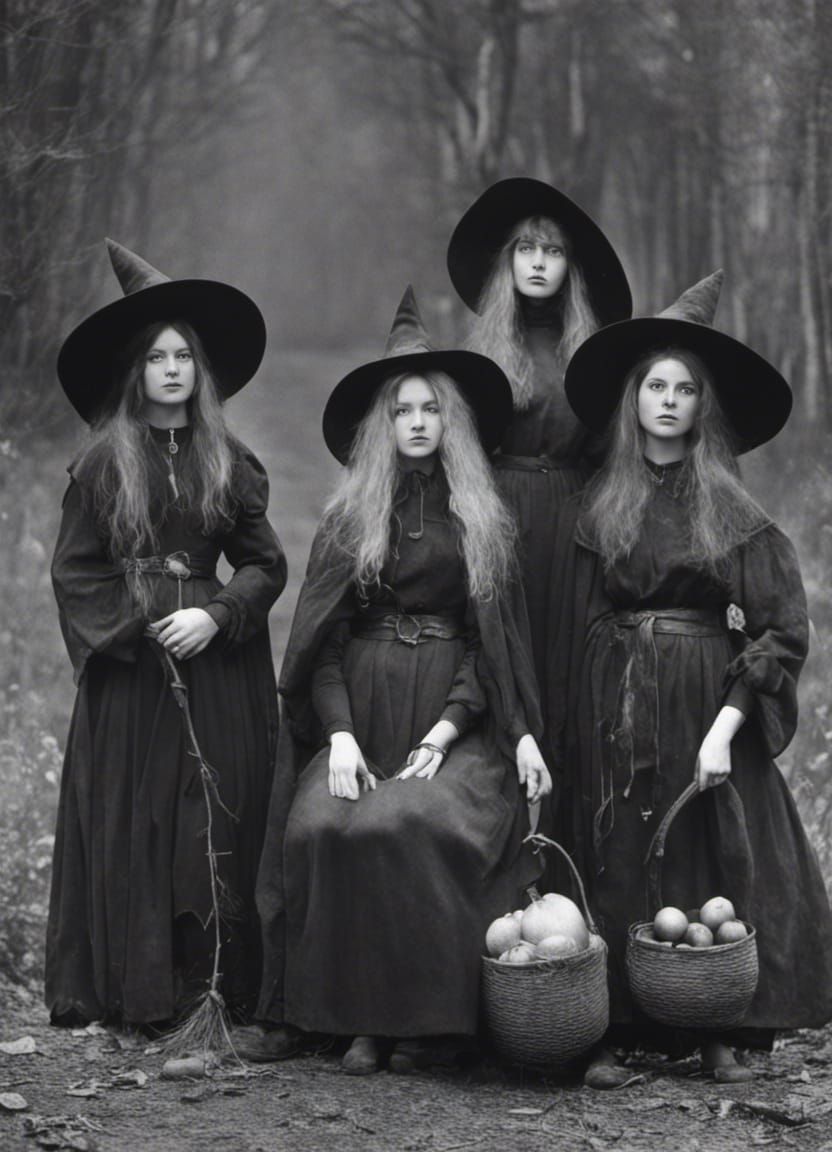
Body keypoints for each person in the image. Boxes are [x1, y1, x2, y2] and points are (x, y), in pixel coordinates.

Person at [249, 288, 551, 1074]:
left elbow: (496, 647)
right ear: (382, 426)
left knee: (418, 823)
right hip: (362, 713)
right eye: (402, 410)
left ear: (451, 422)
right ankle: (355, 1021)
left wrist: (451, 728)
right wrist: (341, 736)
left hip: (454, 723)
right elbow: (321, 642)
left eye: (431, 409)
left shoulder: (482, 519)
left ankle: (422, 1021)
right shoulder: (353, 517)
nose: (417, 421)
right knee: (324, 826)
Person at [546, 271, 832, 1086]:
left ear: (704, 408)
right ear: (634, 399)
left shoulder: (731, 507)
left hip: (705, 700)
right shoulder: (602, 501)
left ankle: (714, 1029)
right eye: (655, 387)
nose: (668, 402)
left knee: (705, 856)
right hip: (615, 698)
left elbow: (782, 627)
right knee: (615, 848)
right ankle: (608, 1025)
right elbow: (579, 612)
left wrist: (725, 728)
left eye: (685, 390)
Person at [47, 240, 287, 1028]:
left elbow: (264, 565)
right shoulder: (102, 465)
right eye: (158, 358)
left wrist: (216, 614)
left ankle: (213, 985)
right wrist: (145, 621)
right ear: (136, 371)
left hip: (218, 667)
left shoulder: (229, 459)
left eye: (185, 355)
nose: (174, 369)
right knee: (139, 818)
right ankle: (134, 989)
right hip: (134, 677)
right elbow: (76, 574)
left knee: (209, 821)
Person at [446, 176, 632, 690]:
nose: (537, 262)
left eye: (552, 251)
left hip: (575, 522)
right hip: (499, 515)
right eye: (525, 248)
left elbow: (609, 455)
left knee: (568, 656)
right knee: (502, 651)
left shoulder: (589, 354)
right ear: (509, 261)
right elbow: (463, 455)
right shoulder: (484, 352)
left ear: (570, 267)